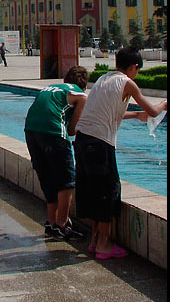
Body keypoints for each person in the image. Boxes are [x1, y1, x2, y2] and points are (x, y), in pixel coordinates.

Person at [74, 47, 168, 260]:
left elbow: (107, 112)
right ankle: (104, 245)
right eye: (137, 69)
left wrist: (135, 115)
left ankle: (95, 241)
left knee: (92, 191)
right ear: (134, 66)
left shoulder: (103, 80)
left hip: (82, 141)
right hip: (100, 143)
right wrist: (165, 103)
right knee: (109, 192)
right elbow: (154, 111)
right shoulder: (127, 82)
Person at [25, 66, 88, 240]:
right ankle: (62, 225)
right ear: (84, 85)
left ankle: (52, 223)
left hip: (30, 131)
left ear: (65, 80)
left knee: (47, 178)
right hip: (53, 132)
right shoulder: (81, 95)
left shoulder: (49, 88)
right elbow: (73, 129)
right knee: (66, 180)